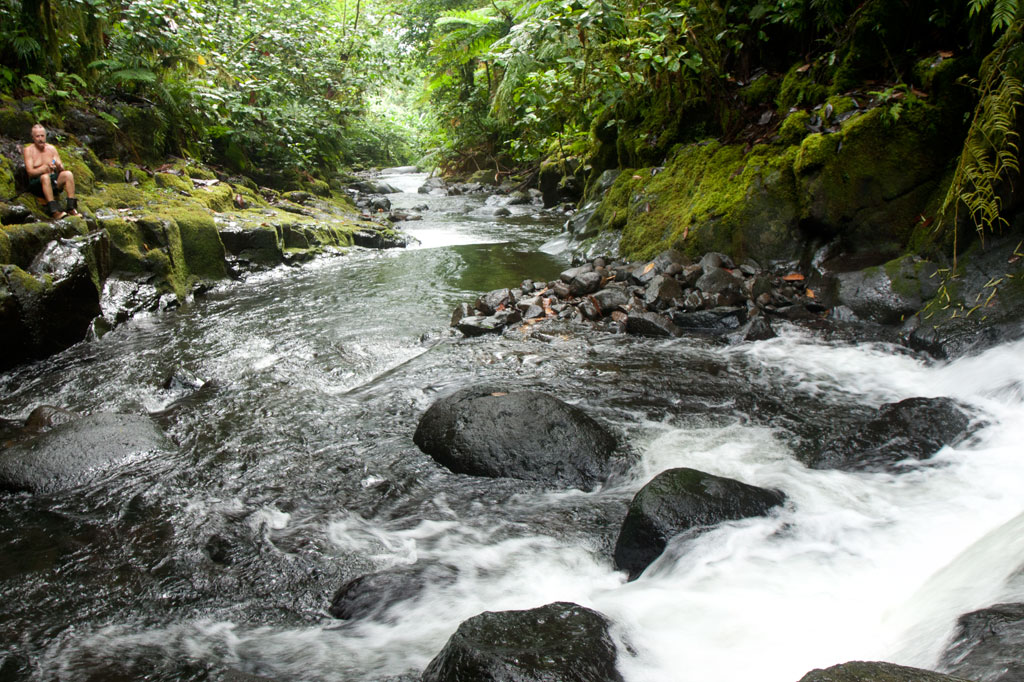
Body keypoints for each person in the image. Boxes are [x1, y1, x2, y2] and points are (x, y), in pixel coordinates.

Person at [23, 123, 80, 220]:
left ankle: (71, 208)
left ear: (45, 136)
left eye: (42, 136)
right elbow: (30, 172)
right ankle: (54, 211)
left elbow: (61, 168)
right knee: (45, 177)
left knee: (68, 174)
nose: (40, 138)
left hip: (52, 181)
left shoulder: (51, 149)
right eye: (37, 136)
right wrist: (42, 169)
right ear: (33, 137)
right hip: (37, 184)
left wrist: (58, 165)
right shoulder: (28, 150)